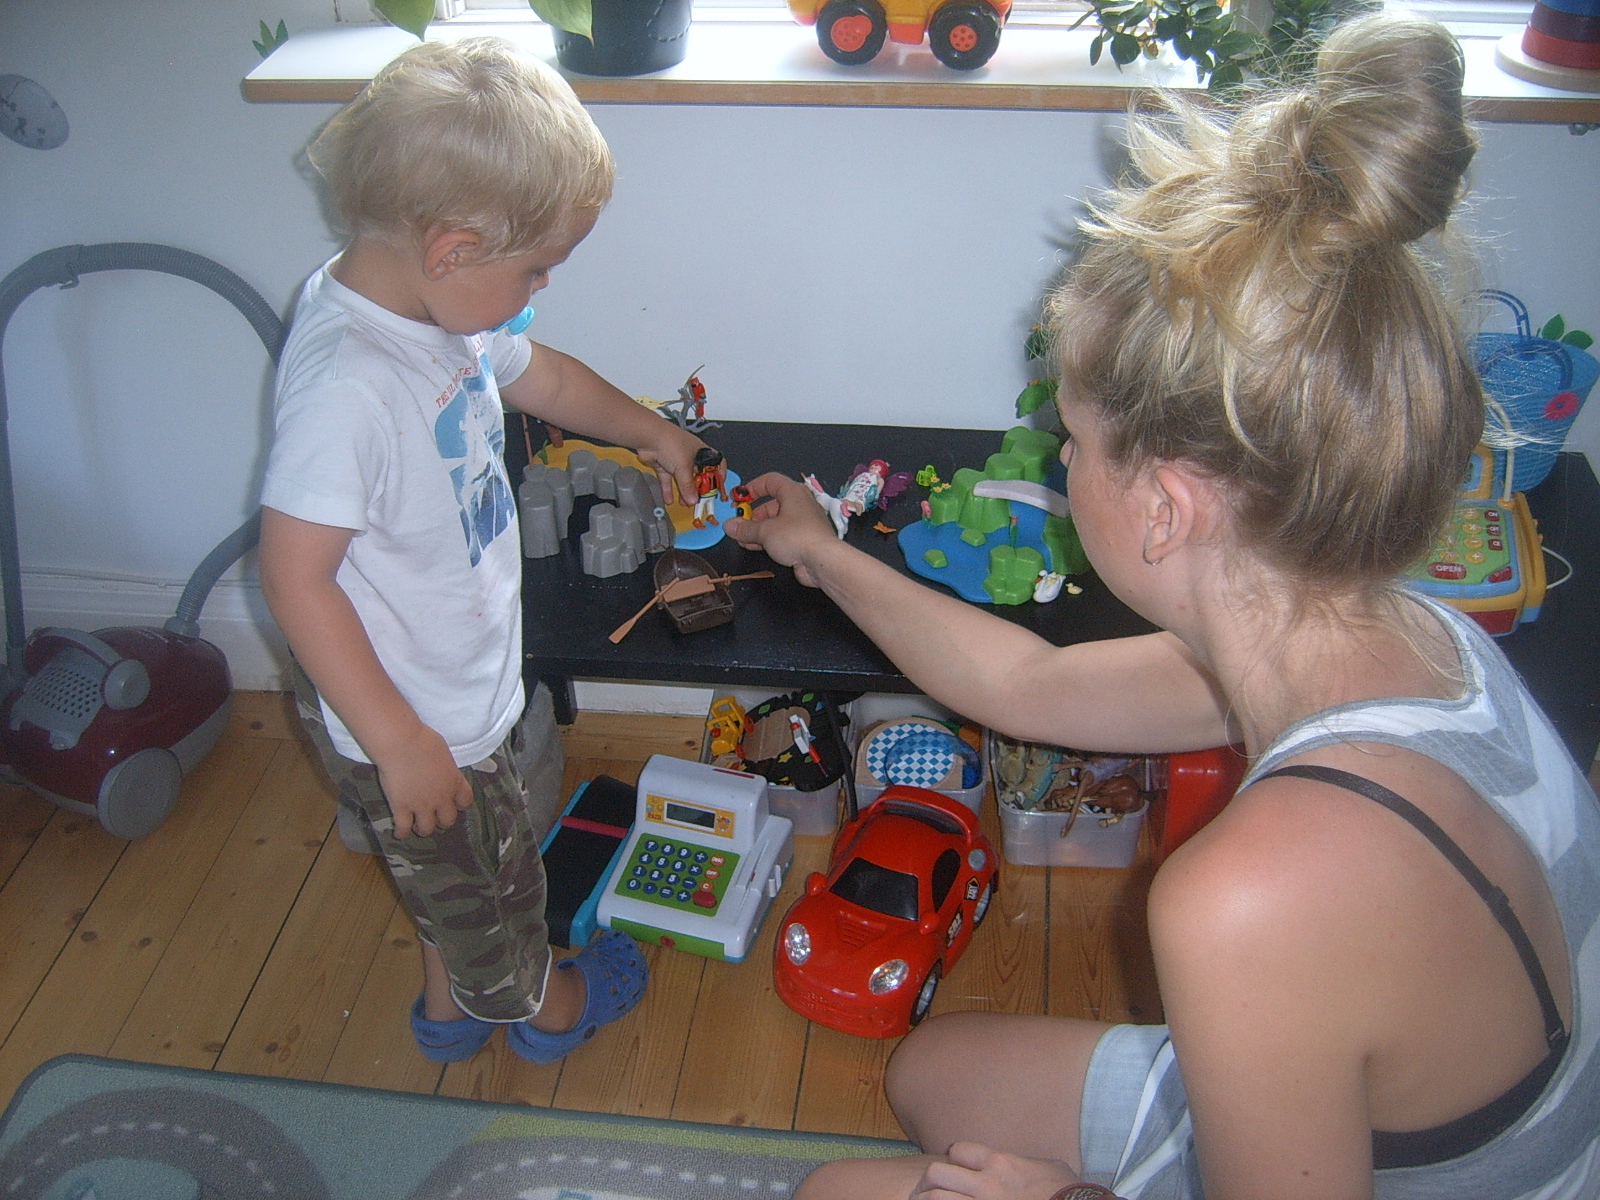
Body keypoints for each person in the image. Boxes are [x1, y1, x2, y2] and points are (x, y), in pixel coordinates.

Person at [725, 14, 1598, 1199]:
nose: (1057, 456)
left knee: (833, 1193)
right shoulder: (1384, 635)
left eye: (1073, 438)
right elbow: (1027, 686)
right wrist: (821, 555)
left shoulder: (1250, 897)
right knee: (931, 1072)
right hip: (1388, 1104)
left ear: (1164, 511)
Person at [259, 37, 711, 1064]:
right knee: (498, 894)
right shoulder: (349, 388)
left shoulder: (429, 307)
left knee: (453, 880)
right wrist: (401, 741)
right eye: (536, 268)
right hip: (410, 709)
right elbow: (292, 576)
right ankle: (544, 1012)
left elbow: (544, 377)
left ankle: (448, 1010)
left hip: (442, 679)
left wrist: (651, 431)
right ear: (453, 249)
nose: (542, 287)